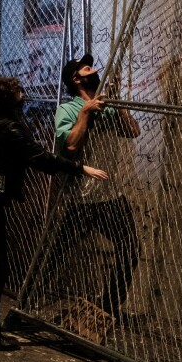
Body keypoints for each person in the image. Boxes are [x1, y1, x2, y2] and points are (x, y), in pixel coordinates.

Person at [0, 77, 108, 351]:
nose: (23, 96)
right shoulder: (11, 128)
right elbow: (40, 158)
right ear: (11, 100)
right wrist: (81, 168)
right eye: (18, 93)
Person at [52, 53, 141, 324]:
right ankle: (27, 301)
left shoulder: (108, 107)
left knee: (130, 248)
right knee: (56, 254)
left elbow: (133, 131)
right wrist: (84, 113)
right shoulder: (67, 109)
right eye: (88, 68)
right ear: (76, 78)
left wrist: (119, 104)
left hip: (109, 195)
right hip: (81, 198)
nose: (94, 70)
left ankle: (108, 306)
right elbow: (71, 146)